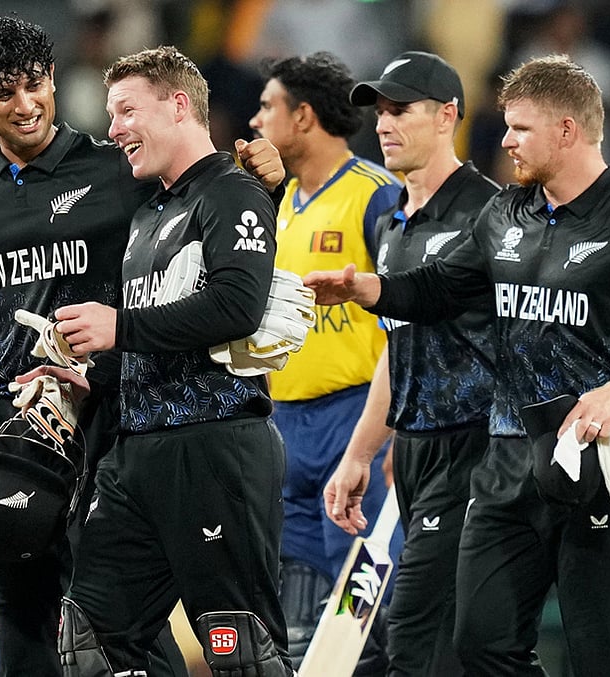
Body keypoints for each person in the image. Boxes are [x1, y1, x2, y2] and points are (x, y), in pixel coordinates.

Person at [0, 16, 284, 677]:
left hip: (106, 422)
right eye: (3, 93)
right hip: (7, 432)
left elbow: (202, 194)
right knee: (27, 630)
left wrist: (264, 177)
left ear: (53, 79)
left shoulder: (120, 168)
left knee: (124, 634)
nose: (25, 104)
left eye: (34, 84)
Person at [307, 55, 610, 676]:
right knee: (480, 641)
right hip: (507, 453)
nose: (505, 141)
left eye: (520, 128)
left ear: (567, 131)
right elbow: (442, 287)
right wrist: (371, 289)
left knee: (600, 660)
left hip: (603, 455)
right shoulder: (505, 214)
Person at [48, 45, 294, 676]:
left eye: (127, 110)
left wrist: (118, 326)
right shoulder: (148, 213)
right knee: (89, 646)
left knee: (242, 654)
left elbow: (237, 306)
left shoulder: (233, 192)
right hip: (137, 455)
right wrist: (88, 376)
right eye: (112, 115)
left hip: (215, 448)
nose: (114, 128)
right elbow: (149, 339)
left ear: (179, 105)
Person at [322, 52, 500, 675]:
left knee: (415, 636)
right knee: (449, 643)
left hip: (478, 448)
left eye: (400, 110)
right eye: (380, 113)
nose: (383, 124)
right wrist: (360, 453)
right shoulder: (392, 224)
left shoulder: (490, 215)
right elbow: (398, 349)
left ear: (447, 115)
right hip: (417, 454)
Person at [246, 50, 402, 671]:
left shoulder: (376, 196)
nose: (256, 121)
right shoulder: (277, 203)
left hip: (354, 420)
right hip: (285, 425)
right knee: (297, 624)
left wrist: (387, 434)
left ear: (303, 116)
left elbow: (408, 316)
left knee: (365, 618)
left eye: (267, 107)